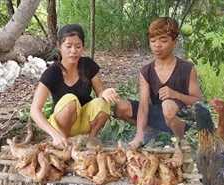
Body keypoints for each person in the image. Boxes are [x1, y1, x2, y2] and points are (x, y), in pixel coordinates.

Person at [115, 17, 202, 148]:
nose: (157, 45)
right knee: (120, 107)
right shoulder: (146, 71)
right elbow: (144, 106)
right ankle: (150, 133)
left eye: (163, 40)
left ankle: (181, 142)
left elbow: (198, 101)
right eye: (153, 41)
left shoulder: (187, 68)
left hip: (182, 119)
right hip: (158, 116)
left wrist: (175, 95)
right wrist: (139, 135)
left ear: (174, 42)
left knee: (168, 106)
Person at [31, 24, 118, 148]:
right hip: (60, 124)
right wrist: (54, 134)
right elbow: (35, 110)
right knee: (70, 99)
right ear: (59, 47)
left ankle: (91, 139)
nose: (73, 51)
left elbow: (100, 93)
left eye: (78, 46)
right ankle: (63, 142)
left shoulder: (87, 65)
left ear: (82, 47)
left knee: (102, 103)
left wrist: (106, 93)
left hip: (83, 122)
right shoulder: (52, 72)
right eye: (68, 46)